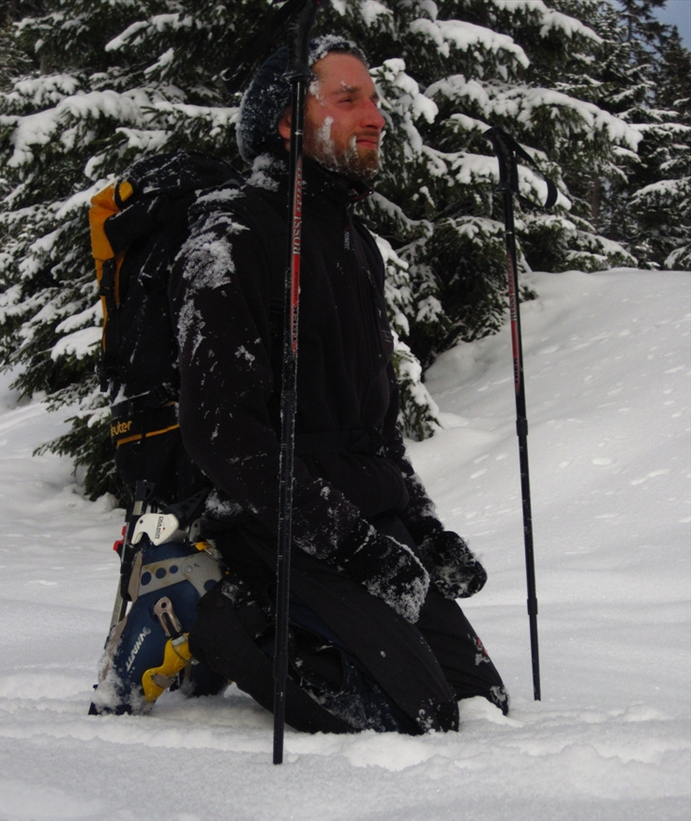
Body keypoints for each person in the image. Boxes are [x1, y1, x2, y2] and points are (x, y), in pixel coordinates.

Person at [169, 35, 509, 735]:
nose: (375, 116)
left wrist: (423, 530)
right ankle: (210, 615)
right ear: (287, 121)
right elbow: (223, 434)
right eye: (348, 99)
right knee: (410, 717)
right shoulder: (231, 236)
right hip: (268, 522)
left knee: (479, 702)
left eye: (374, 100)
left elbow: (375, 429)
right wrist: (348, 543)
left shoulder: (355, 245)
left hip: (361, 522)